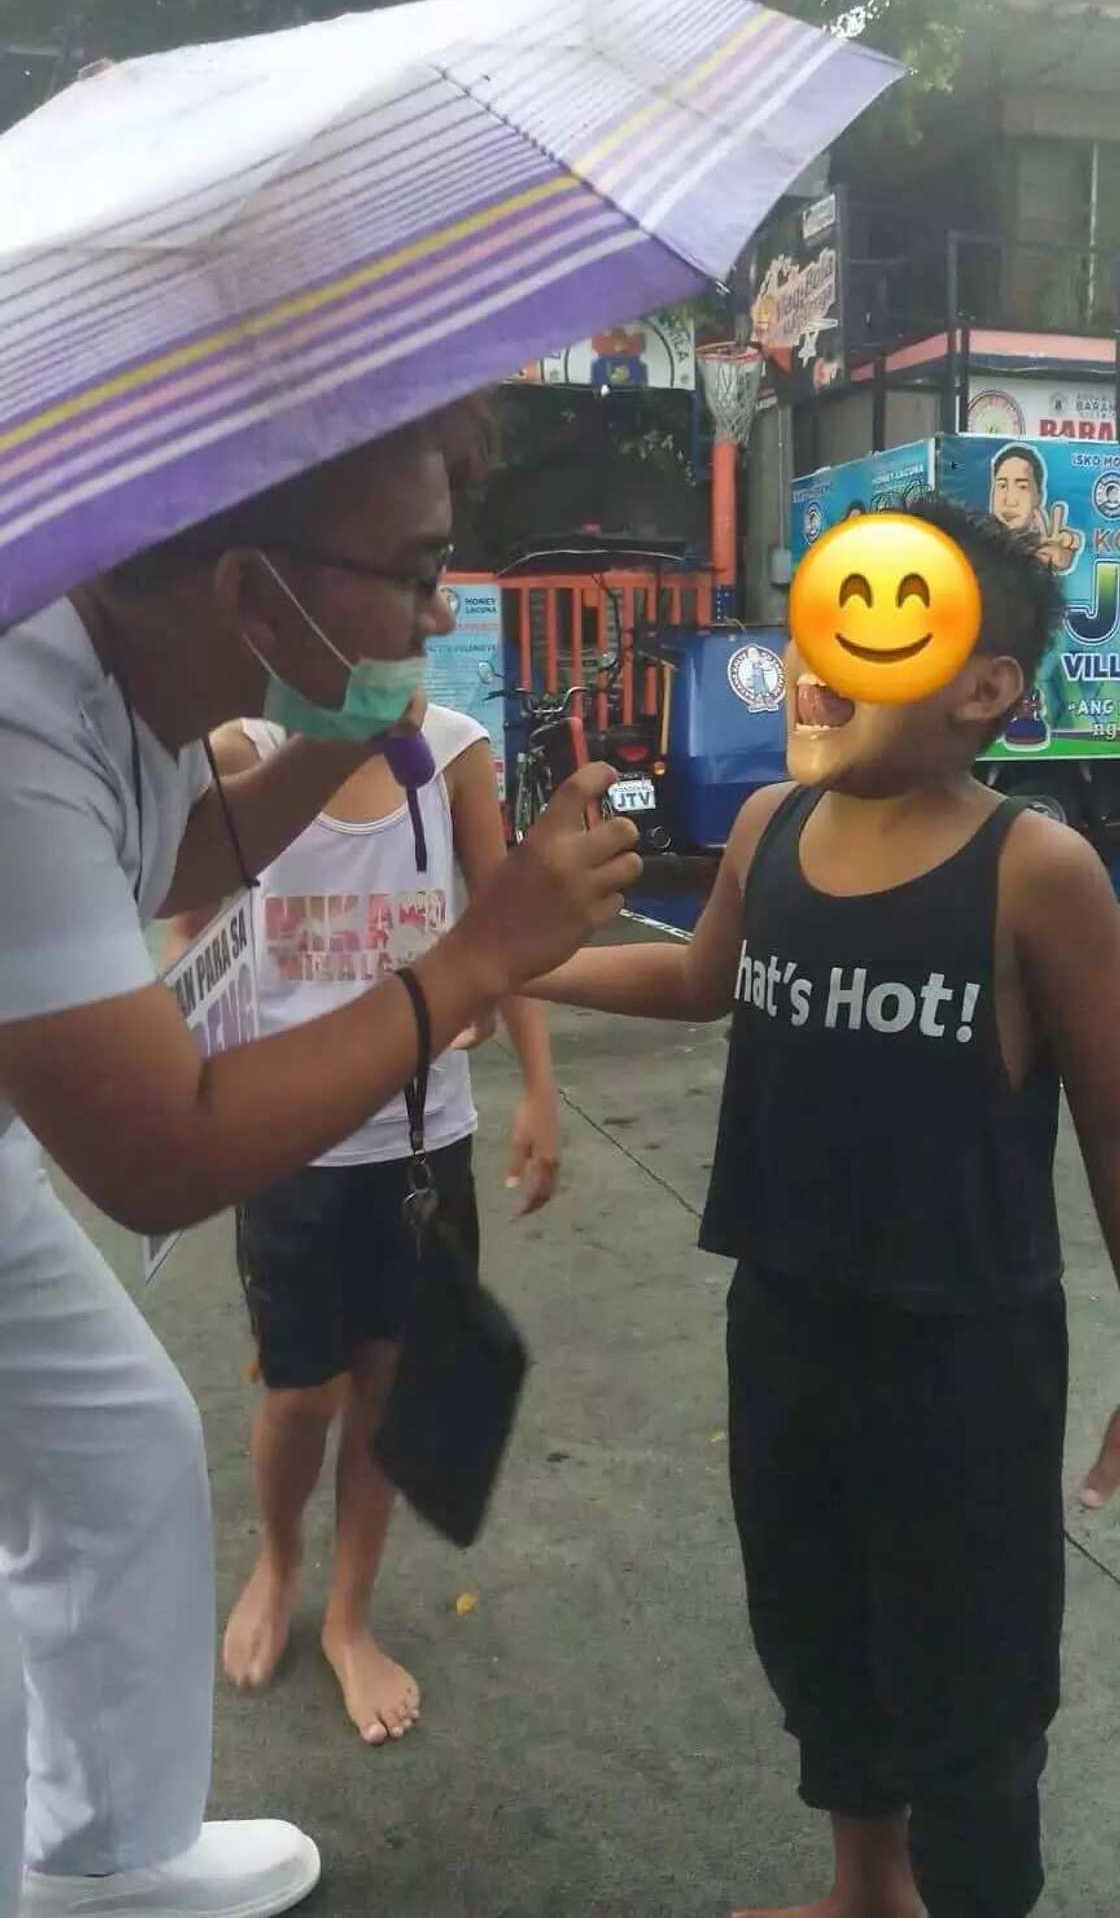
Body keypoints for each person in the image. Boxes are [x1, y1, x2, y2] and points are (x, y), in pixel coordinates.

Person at [0, 403, 640, 1918]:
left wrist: (351, 729)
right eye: (417, 567)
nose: (439, 608)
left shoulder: (103, 667)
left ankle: (105, 1849)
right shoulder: (15, 720)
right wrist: (479, 959)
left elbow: (171, 858)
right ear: (251, 587)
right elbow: (167, 1149)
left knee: (123, 1451)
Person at [523, 496, 1120, 1918]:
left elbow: (1114, 1126)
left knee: (971, 1675)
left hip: (962, 1348)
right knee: (816, 1624)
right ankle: (866, 1889)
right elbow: (692, 979)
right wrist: (512, 966)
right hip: (785, 1311)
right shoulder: (771, 822)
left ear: (985, 687)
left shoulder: (1036, 869)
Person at [166, 702, 560, 1747]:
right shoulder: (245, 754)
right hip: (283, 1138)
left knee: (386, 1385)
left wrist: (539, 1089)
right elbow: (185, 930)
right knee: (302, 1393)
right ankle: (281, 1555)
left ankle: (348, 1615)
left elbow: (501, 923)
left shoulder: (455, 751)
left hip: (422, 1138)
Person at [989, 444, 1081, 573]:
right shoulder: (973, 533)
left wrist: (1057, 560)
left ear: (1039, 496)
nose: (1010, 501)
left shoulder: (1039, 546)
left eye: (1022, 487)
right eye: (1002, 485)